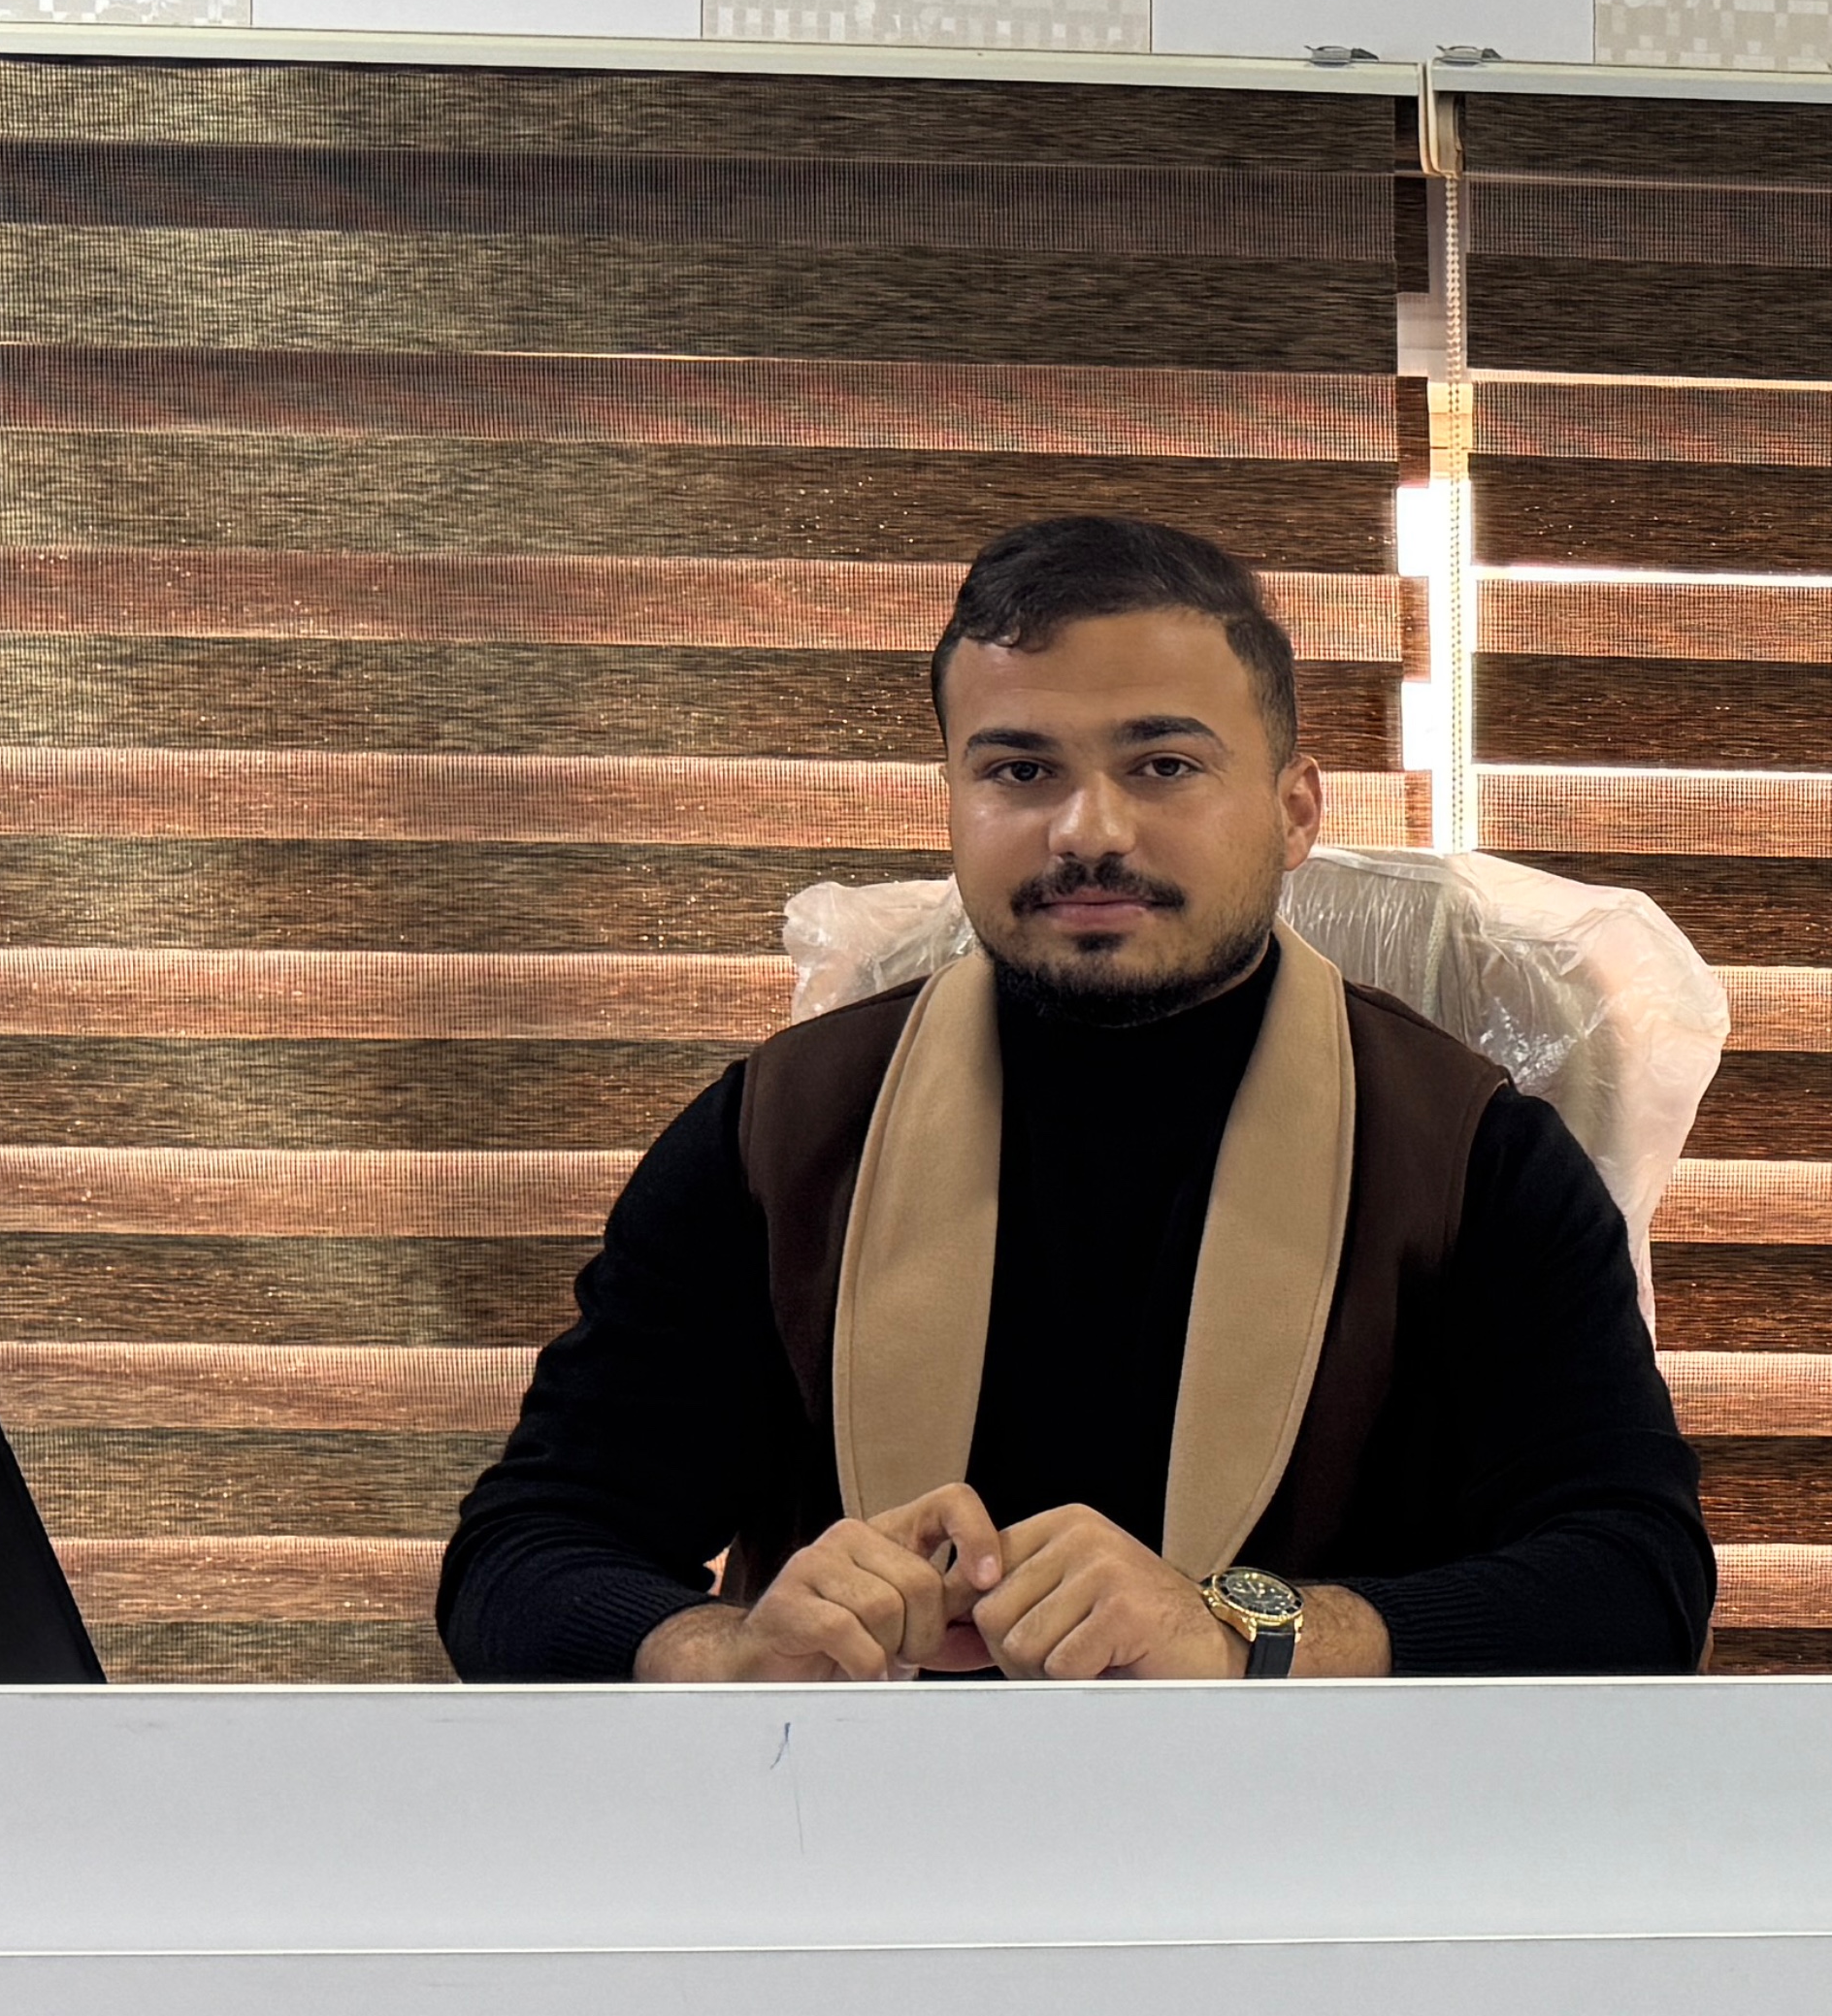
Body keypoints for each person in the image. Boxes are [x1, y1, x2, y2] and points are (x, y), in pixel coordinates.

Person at [438, 516, 1711, 1682]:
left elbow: (1633, 1582)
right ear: (954, 802)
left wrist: (1246, 1631)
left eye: (1162, 764)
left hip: (1310, 1832)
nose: (1088, 830)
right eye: (1020, 770)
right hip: (862, 1824)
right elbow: (528, 1551)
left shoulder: (1473, 1156)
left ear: (1294, 811)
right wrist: (721, 1651)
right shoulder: (779, 1134)